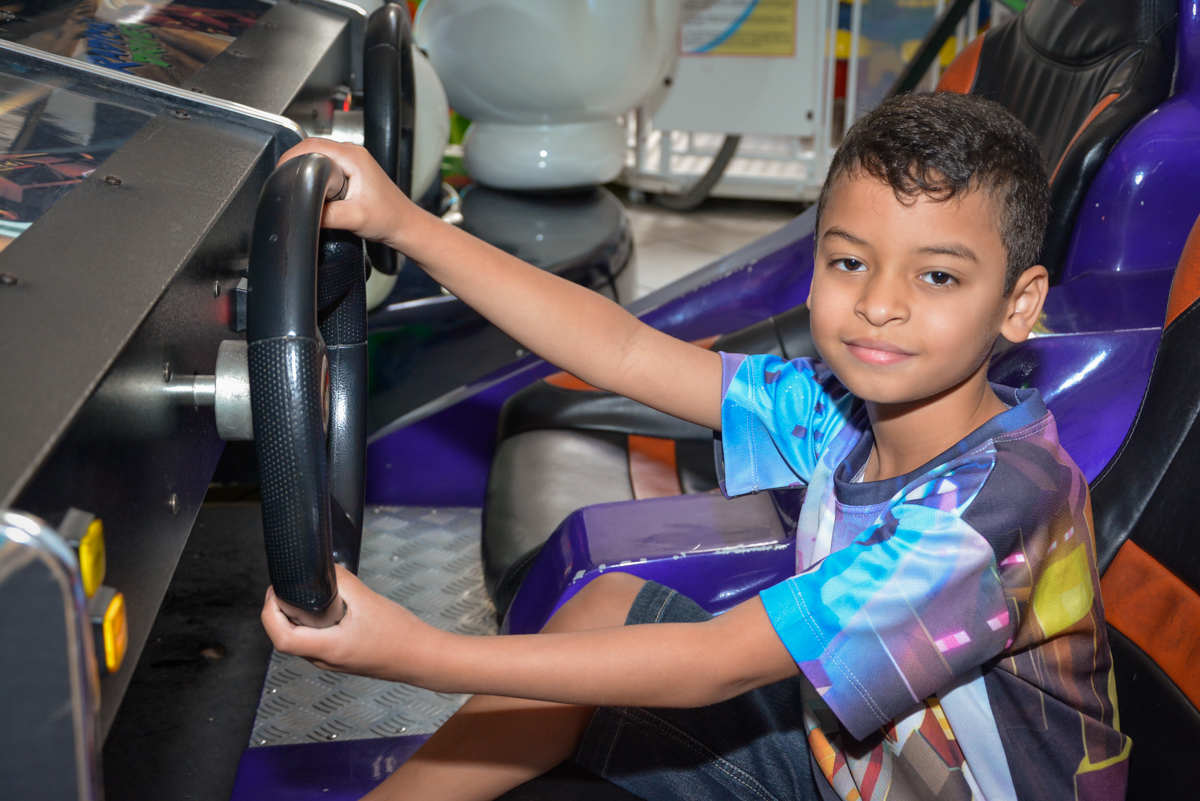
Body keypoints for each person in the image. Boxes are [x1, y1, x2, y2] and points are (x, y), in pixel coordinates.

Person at [261, 93, 1130, 801]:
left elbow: (716, 665)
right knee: (606, 606)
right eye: (850, 261)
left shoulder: (988, 512)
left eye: (936, 275)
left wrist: (417, 653)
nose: (880, 303)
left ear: (1019, 305)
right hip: (848, 765)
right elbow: (626, 351)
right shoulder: (843, 412)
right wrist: (407, 224)